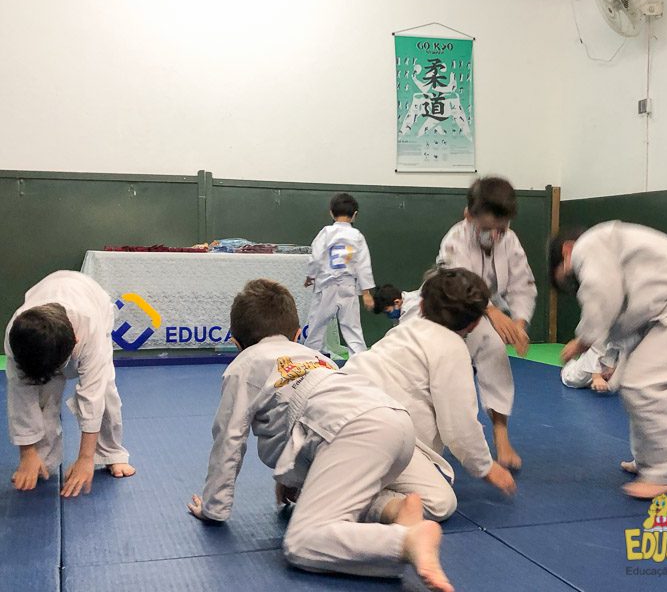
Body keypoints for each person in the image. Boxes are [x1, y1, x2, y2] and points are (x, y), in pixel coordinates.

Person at [187, 279, 452, 592]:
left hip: (352, 432)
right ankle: (393, 509)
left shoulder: (243, 365)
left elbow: (229, 440)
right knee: (420, 499)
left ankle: (405, 540)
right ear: (297, 335)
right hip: (394, 420)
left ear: (236, 343)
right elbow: (309, 419)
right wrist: (293, 476)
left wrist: (214, 509)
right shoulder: (318, 358)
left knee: (302, 542)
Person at [551, 222, 667, 499]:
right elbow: (627, 315)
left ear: (567, 250)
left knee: (641, 385)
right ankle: (652, 461)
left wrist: (583, 338)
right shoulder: (615, 245)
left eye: (567, 273)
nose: (573, 278)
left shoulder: (588, 245)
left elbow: (601, 293)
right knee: (653, 391)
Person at [344, 268, 516, 522]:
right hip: (377, 433)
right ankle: (352, 501)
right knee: (440, 502)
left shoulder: (403, 331)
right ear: (475, 322)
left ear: (421, 306)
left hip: (337, 407)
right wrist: (485, 467)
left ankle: (321, 478)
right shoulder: (452, 348)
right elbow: (459, 427)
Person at [435, 176, 537, 470]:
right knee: (441, 373)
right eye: (487, 227)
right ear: (469, 215)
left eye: (501, 228)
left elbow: (522, 284)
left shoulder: (510, 240)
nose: (495, 234)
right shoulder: (455, 240)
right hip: (447, 313)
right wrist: (492, 312)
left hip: (482, 316)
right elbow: (460, 284)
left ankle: (501, 434)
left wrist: (518, 323)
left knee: (494, 349)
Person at [4, 271, 135, 497]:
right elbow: (20, 394)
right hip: (47, 313)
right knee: (43, 392)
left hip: (92, 300)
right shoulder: (18, 334)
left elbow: (92, 395)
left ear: (75, 341)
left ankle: (112, 454)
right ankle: (40, 460)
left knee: (105, 390)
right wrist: (27, 453)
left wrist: (86, 458)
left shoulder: (89, 328)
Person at [304, 192, 375, 355]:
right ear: (355, 215)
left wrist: (311, 276)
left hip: (326, 286)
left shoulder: (326, 232)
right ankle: (359, 361)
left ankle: (311, 359)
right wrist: (366, 293)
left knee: (316, 326)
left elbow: (316, 257)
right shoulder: (357, 236)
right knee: (353, 329)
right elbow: (363, 265)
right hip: (348, 287)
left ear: (331, 213)